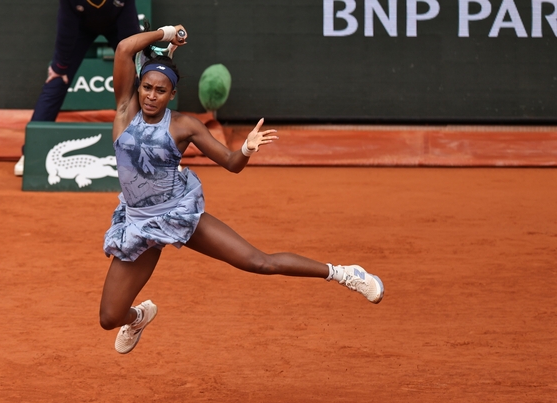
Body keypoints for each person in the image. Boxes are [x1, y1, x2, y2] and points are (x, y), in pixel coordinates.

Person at [98, 25, 385, 354]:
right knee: (109, 317)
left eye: (160, 90)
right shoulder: (125, 112)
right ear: (137, 88)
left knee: (257, 262)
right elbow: (124, 49)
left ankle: (343, 273)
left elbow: (231, 163)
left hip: (176, 215)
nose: (151, 95)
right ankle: (138, 317)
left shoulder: (184, 126)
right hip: (137, 224)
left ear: (172, 94)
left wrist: (247, 149)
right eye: (146, 87)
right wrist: (164, 33)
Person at [14, 0, 142, 176]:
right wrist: (60, 67)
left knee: (141, 81)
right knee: (57, 79)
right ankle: (30, 154)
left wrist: (137, 65)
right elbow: (66, 29)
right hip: (81, 28)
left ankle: (158, 154)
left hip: (118, 28)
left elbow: (130, 29)